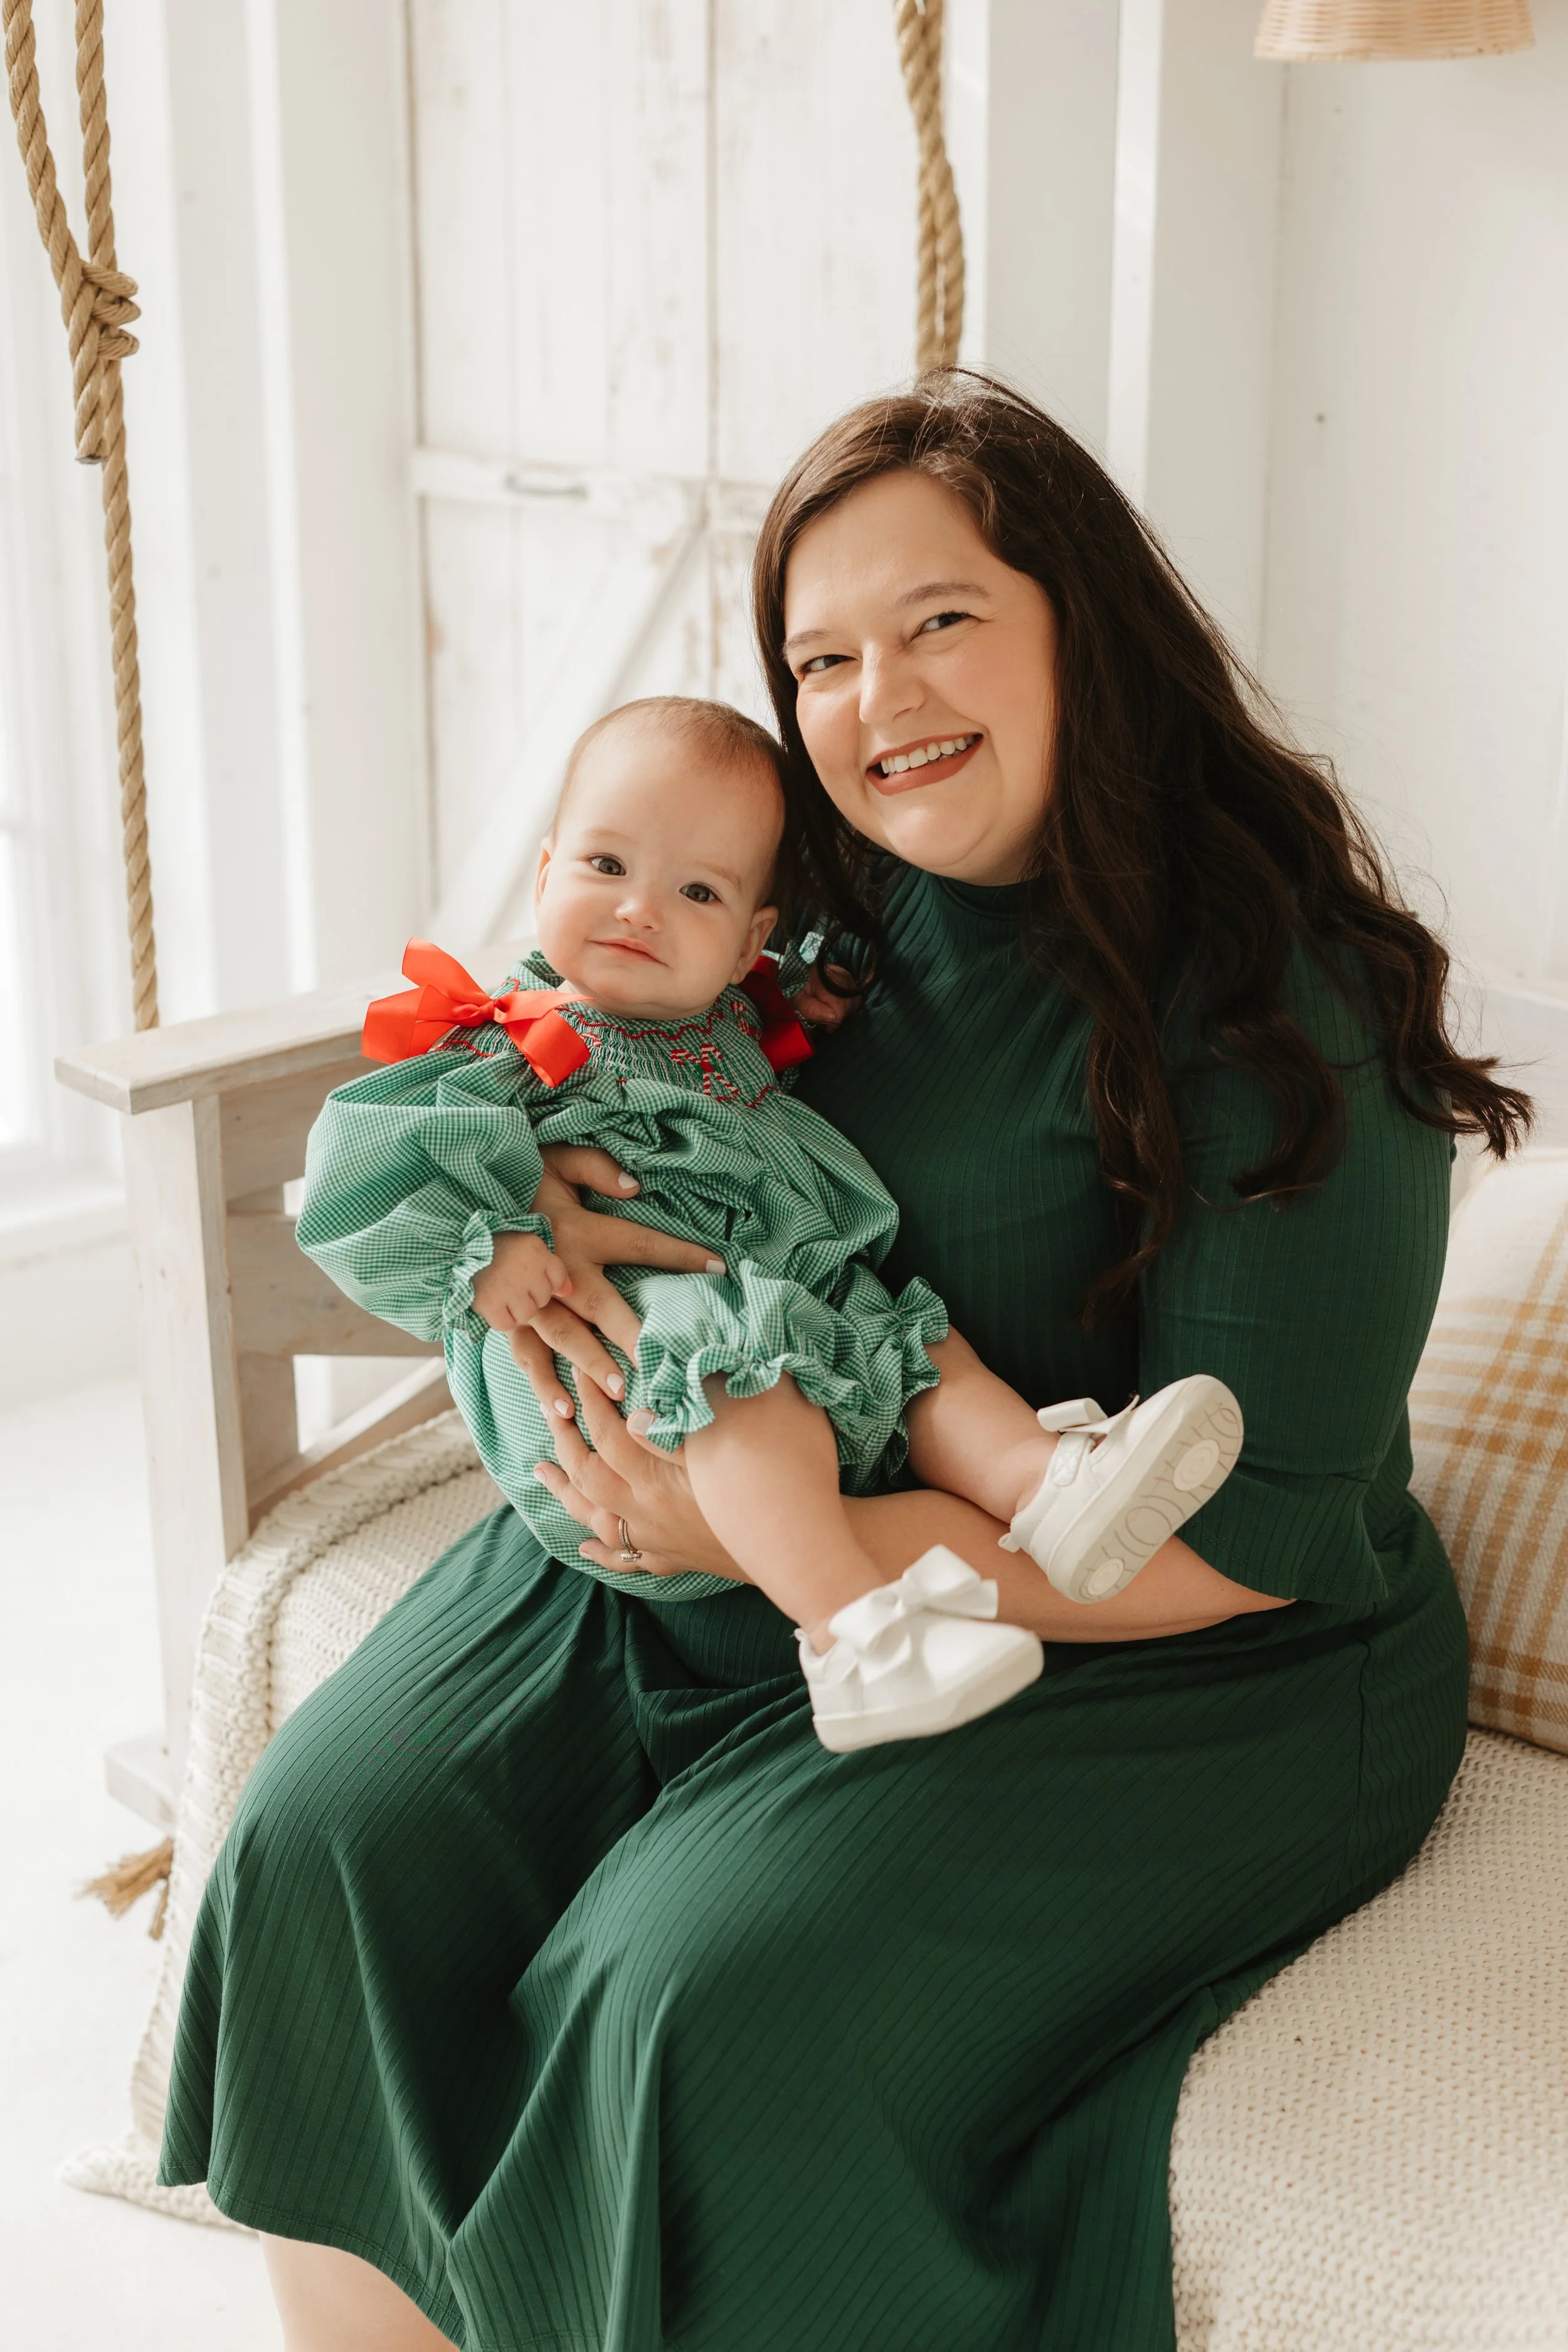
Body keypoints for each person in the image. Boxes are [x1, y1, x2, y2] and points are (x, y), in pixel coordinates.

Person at [158, 374, 1528, 2352]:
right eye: (819, 656)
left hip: (1178, 1631)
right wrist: (530, 1216)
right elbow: (564, 1042)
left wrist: (762, 1544)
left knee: (687, 1994)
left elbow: (1247, 1542)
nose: (877, 696)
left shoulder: (1280, 991)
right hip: (741, 1488)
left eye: (937, 619)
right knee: (327, 1841)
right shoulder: (806, 914)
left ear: (1081, 623)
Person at [295, 691, 1244, 1749]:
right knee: (738, 1366)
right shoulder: (508, 1040)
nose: (640, 909)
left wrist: (804, 1005)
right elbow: (358, 1163)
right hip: (628, 1377)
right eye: (607, 865)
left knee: (914, 1342)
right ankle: (855, 1637)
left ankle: (1045, 1485)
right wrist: (491, 1244)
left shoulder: (729, 1016)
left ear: (750, 936)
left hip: (783, 1312)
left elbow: (777, 1026)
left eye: (696, 890)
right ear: (546, 871)